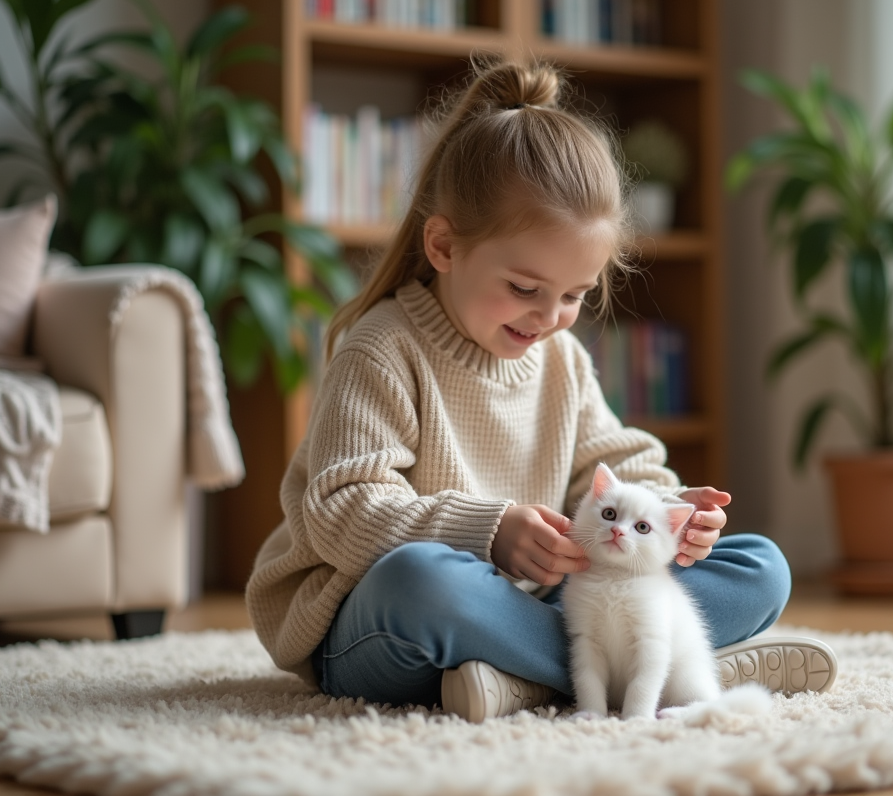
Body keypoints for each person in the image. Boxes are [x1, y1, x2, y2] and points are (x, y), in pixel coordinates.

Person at [245, 59, 836, 722]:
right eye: (525, 289)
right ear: (442, 245)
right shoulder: (382, 349)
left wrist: (670, 515)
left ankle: (524, 675)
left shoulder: (561, 360)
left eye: (575, 296)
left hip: (535, 607)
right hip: (379, 626)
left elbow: (614, 472)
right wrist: (488, 533)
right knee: (422, 581)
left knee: (761, 565)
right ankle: (657, 669)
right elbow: (339, 510)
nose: (549, 316)